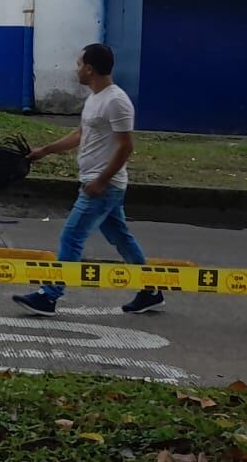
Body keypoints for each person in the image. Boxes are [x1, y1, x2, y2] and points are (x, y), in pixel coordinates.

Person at [13, 44, 162, 317]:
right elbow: (80, 135)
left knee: (71, 236)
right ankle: (150, 290)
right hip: (100, 184)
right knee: (121, 238)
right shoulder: (95, 98)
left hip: (103, 187)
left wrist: (102, 181)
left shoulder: (116, 101)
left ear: (90, 69)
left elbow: (125, 147)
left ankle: (49, 295)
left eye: (79, 63)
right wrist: (43, 152)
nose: (76, 68)